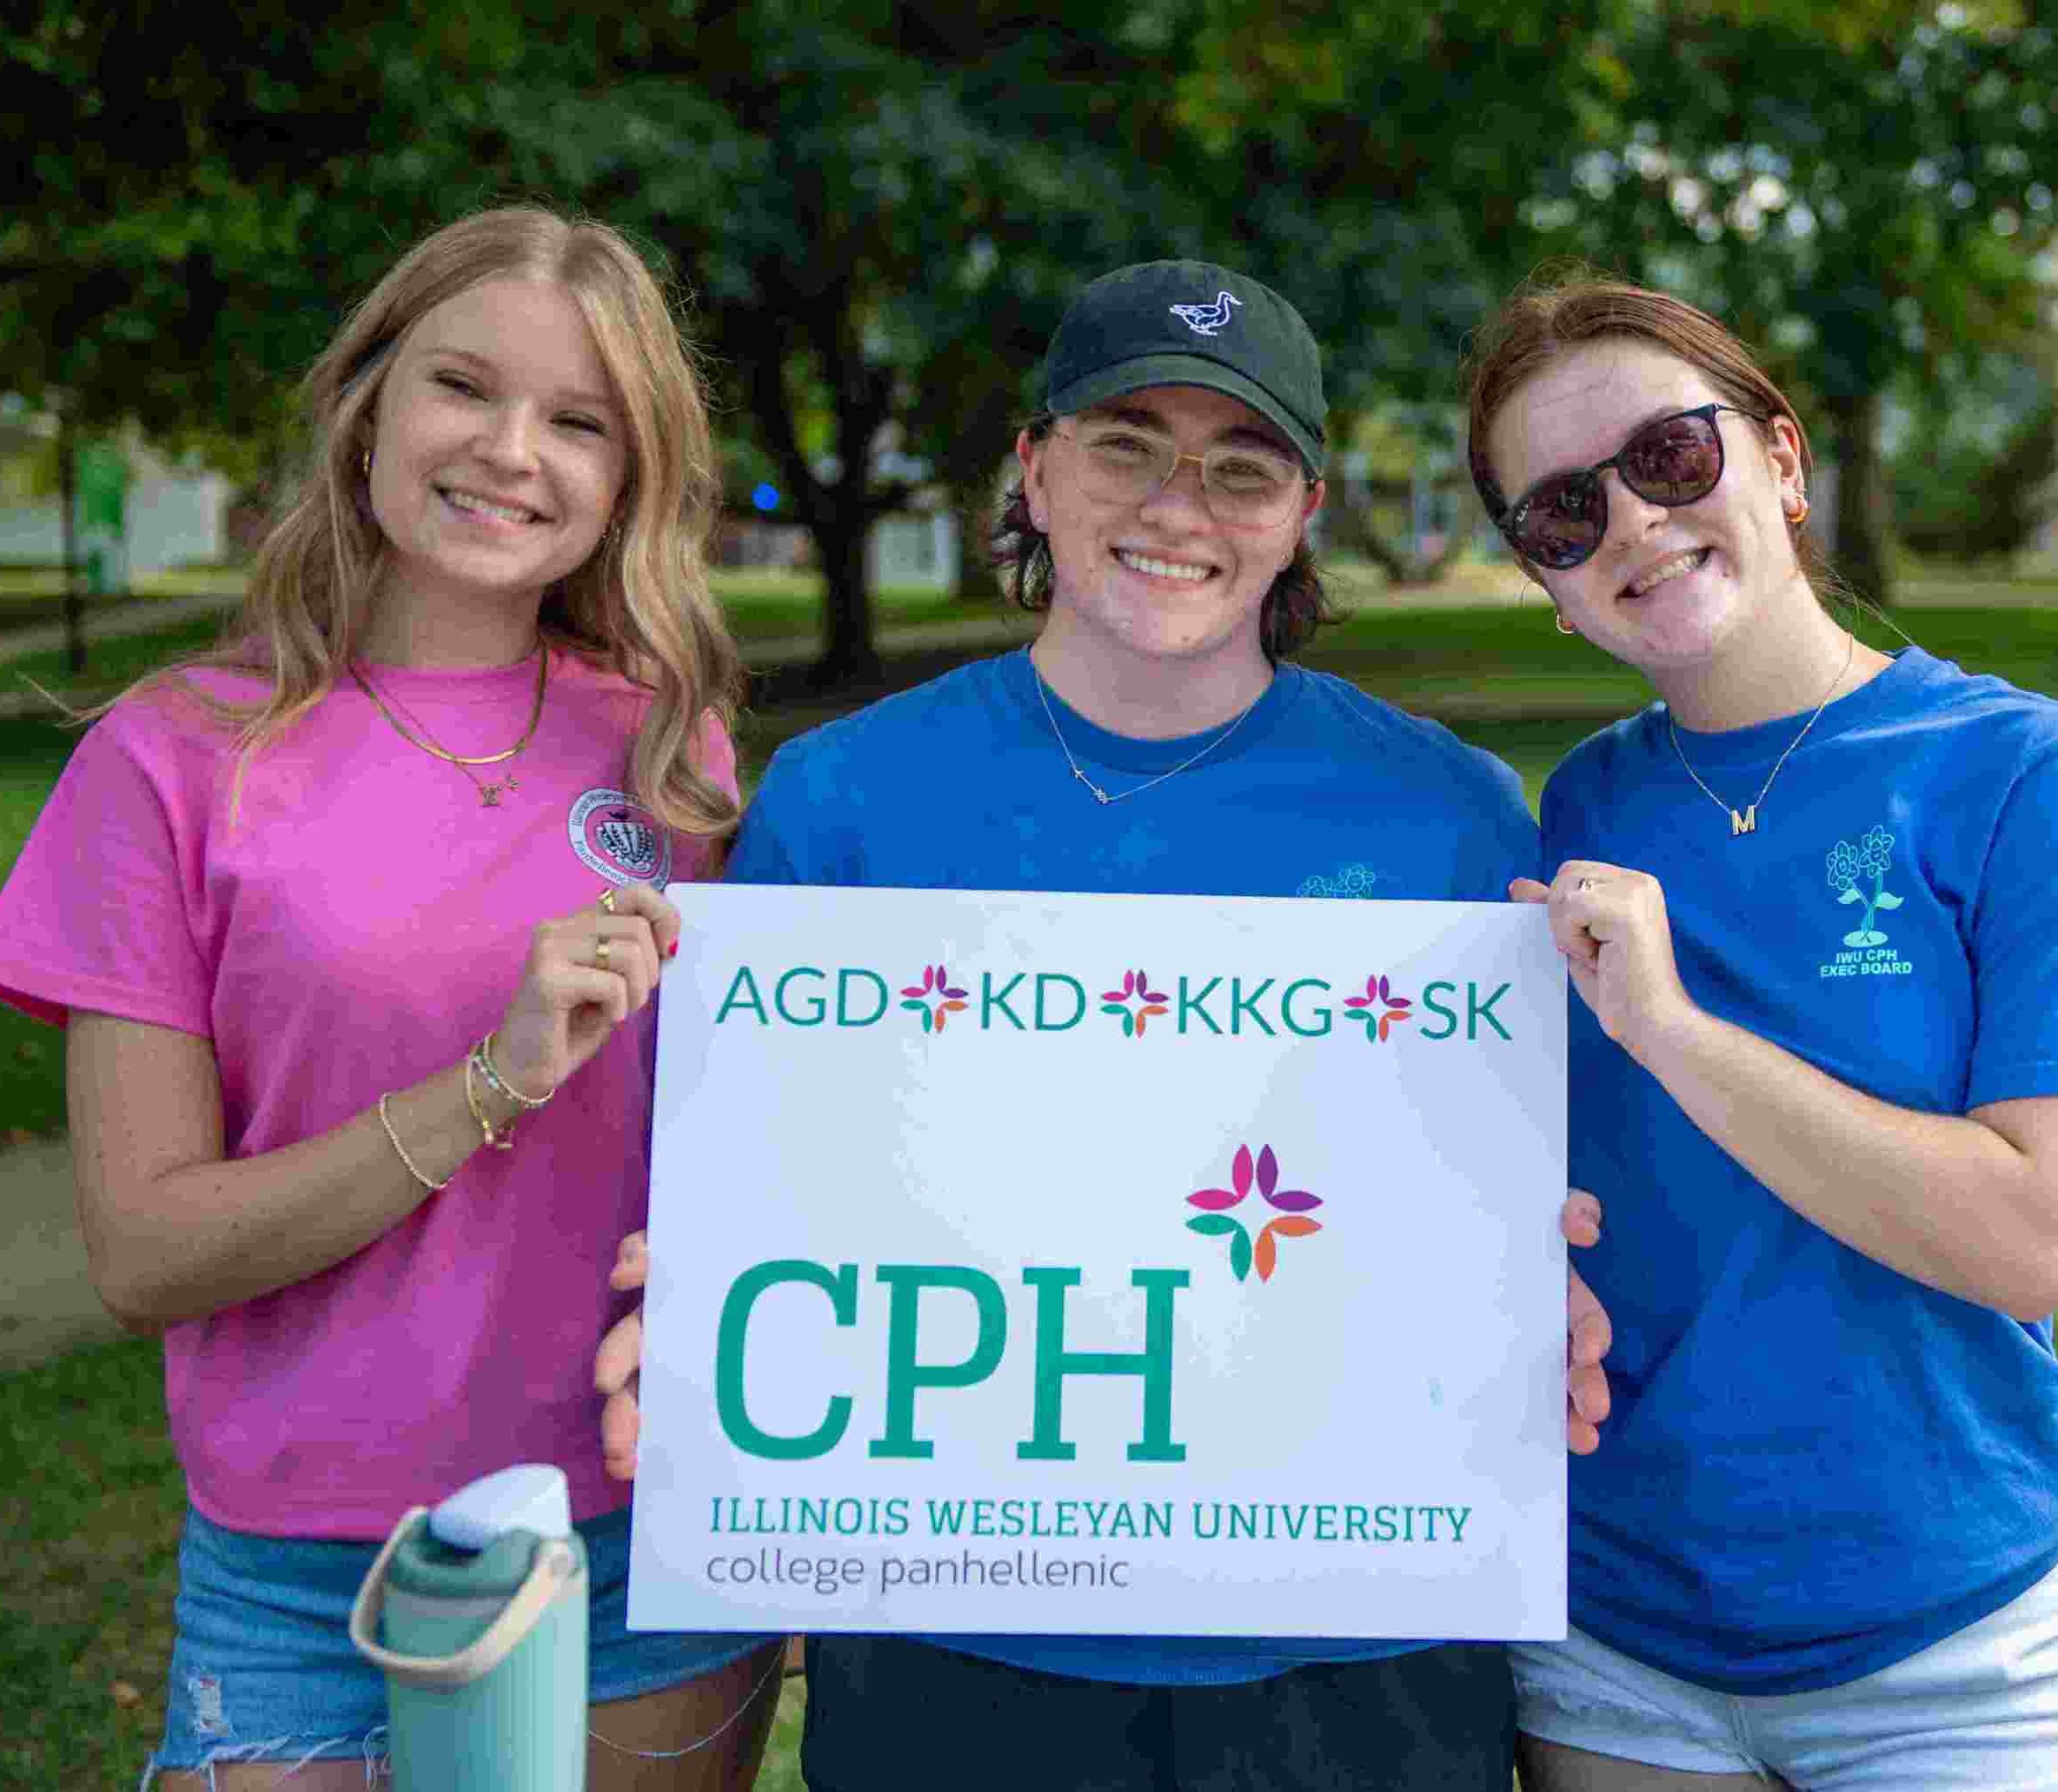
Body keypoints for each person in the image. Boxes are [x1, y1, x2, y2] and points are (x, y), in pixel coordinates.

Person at [592, 258, 1615, 1790]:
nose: (1178, 506)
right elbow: (755, 1182)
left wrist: (1543, 1274)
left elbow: (1493, 1182)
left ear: (1305, 510)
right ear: (1035, 466)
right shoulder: (845, 802)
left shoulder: (1454, 816)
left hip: (1359, 1652)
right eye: (1127, 440)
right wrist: (694, 1293)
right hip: (960, 1651)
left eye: (1242, 465)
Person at [0, 207, 781, 1790]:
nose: (511, 451)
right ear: (369, 406)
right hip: (301, 1574)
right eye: (465, 387)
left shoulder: (673, 753)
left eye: (580, 420)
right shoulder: (172, 756)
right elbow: (142, 1253)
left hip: (642, 1541)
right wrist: (491, 1081)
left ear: (631, 474)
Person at [1465, 273, 2058, 1789]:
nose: (1628, 520)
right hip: (1615, 1633)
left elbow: (2033, 1235)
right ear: (1545, 577)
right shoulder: (1580, 810)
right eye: (1560, 512)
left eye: (1670, 458)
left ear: (1783, 461)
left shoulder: (2040, 777)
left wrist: (1675, 1030)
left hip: (1945, 1640)